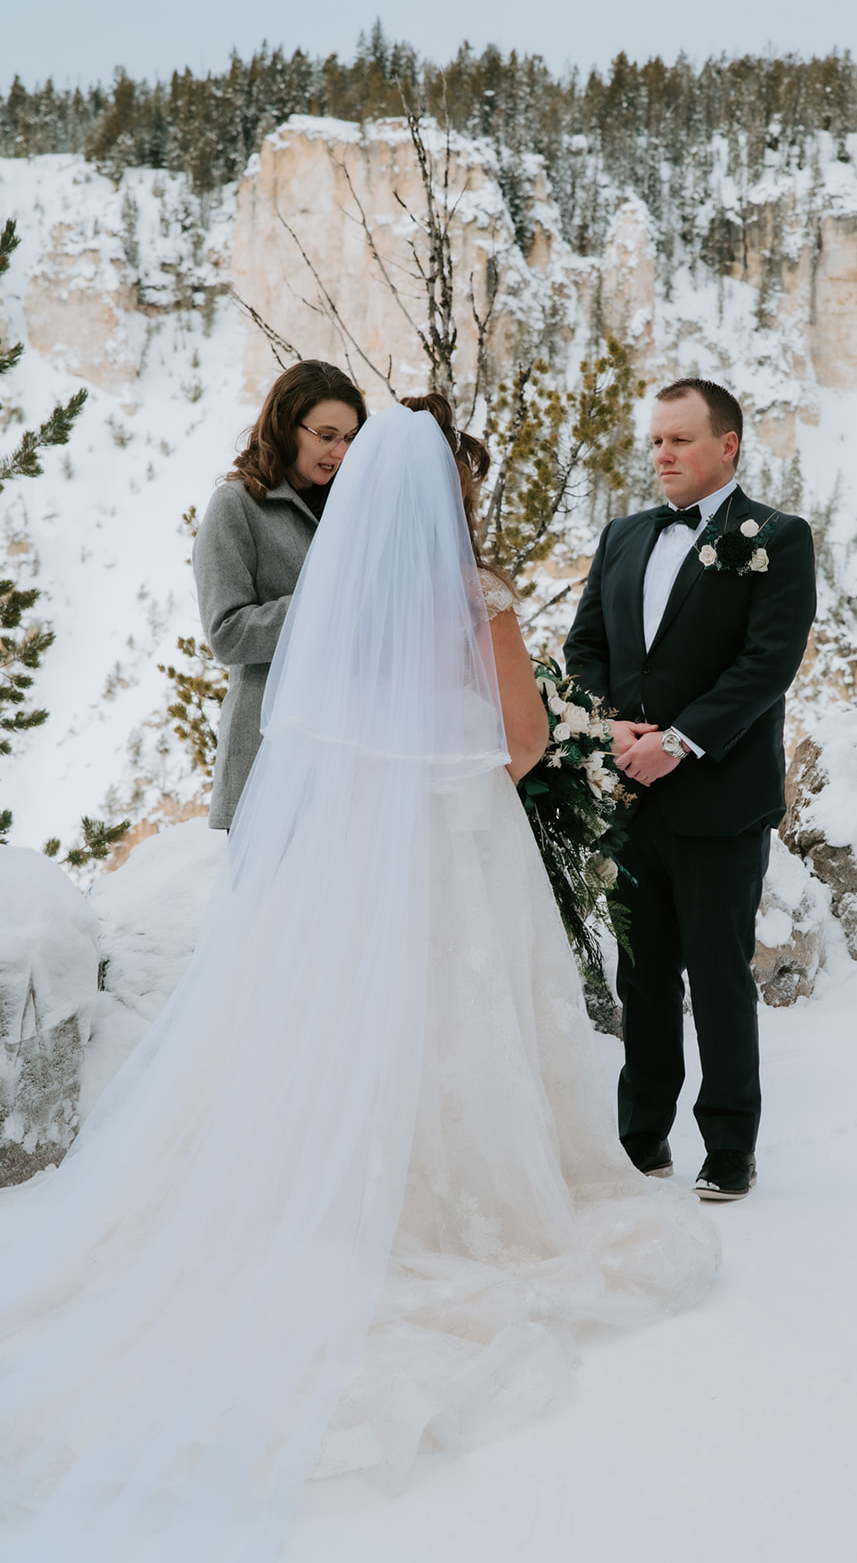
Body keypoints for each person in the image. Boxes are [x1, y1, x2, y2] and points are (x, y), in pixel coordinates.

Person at [0, 401, 718, 1562]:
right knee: (461, 1019)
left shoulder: (338, 598)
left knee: (345, 1023)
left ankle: (327, 1177)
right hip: (455, 848)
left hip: (348, 856)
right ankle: (453, 1197)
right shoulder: (474, 600)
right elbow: (523, 743)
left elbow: (304, 731)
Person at [564, 378, 817, 1203]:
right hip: (627, 794)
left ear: (727, 446)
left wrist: (678, 743)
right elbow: (587, 648)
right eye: (656, 441)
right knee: (640, 978)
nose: (661, 454)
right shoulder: (622, 535)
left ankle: (729, 1149)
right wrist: (613, 733)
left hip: (716, 799)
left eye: (678, 440)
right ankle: (639, 1142)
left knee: (716, 977)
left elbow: (764, 666)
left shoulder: (776, 539)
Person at [193, 359, 367, 830]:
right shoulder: (236, 506)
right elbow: (227, 635)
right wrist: (325, 607)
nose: (341, 451)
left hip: (349, 755)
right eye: (327, 435)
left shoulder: (356, 509)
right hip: (268, 756)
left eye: (351, 438)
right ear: (286, 425)